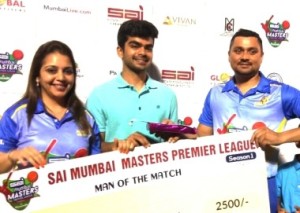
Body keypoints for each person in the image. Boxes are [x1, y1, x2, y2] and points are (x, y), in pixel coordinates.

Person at [196, 28, 300, 213]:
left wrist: (279, 137)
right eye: (238, 50)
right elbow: (202, 138)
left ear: (261, 56)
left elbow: (279, 137)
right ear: (229, 55)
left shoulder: (281, 92)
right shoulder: (215, 94)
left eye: (252, 51)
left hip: (262, 183)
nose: (245, 56)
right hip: (220, 182)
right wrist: (175, 138)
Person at [0, 40, 101, 174]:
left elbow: (98, 170)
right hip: (31, 195)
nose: (61, 77)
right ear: (37, 76)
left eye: (68, 71)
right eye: (51, 70)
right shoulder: (16, 115)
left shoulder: (86, 118)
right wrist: (12, 156)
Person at [86, 19, 178, 154]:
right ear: (120, 51)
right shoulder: (99, 95)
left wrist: (176, 136)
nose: (143, 52)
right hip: (116, 174)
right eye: (135, 45)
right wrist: (119, 145)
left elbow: (173, 145)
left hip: (159, 174)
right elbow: (92, 148)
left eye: (148, 47)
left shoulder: (167, 95)